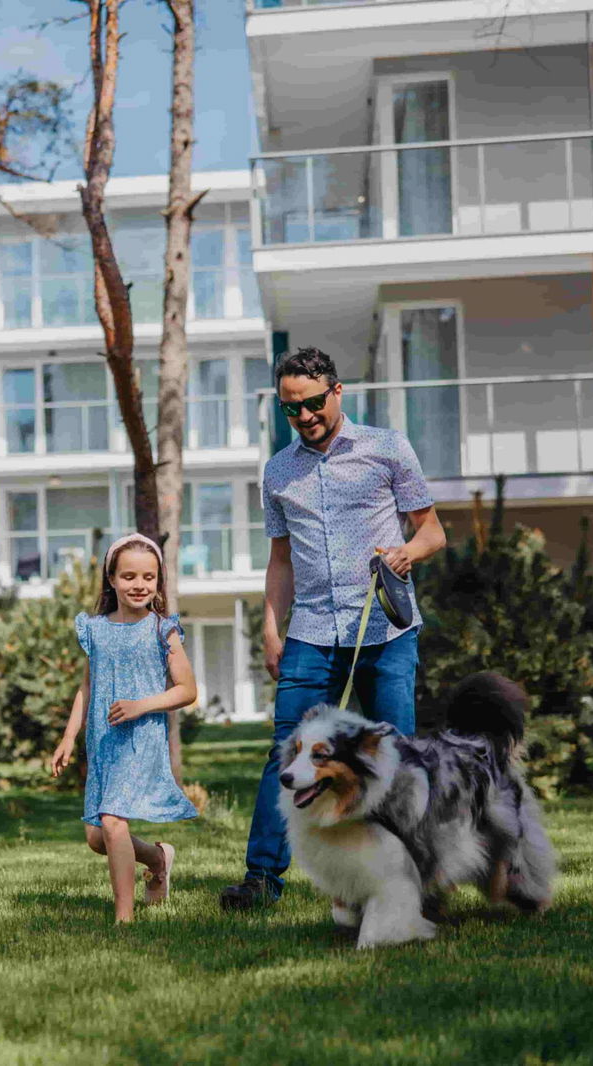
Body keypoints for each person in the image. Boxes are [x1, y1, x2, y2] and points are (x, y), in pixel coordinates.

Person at [218, 347, 447, 912]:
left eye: (314, 403)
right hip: (312, 633)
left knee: (392, 756)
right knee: (285, 754)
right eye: (291, 408)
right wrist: (273, 630)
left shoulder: (386, 448)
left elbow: (432, 533)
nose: (305, 417)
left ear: (337, 392)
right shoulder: (278, 470)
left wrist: (405, 553)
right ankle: (261, 879)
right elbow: (280, 560)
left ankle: (407, 877)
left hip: (387, 632)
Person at [51, 533, 200, 923]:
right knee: (98, 837)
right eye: (130, 576)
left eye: (149, 578)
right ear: (112, 579)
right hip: (103, 741)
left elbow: (187, 690)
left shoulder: (161, 630)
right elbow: (87, 686)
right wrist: (69, 736)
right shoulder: (95, 630)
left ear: (158, 582)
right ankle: (158, 858)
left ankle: (124, 919)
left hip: (141, 739)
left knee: (114, 820)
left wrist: (140, 705)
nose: (139, 585)